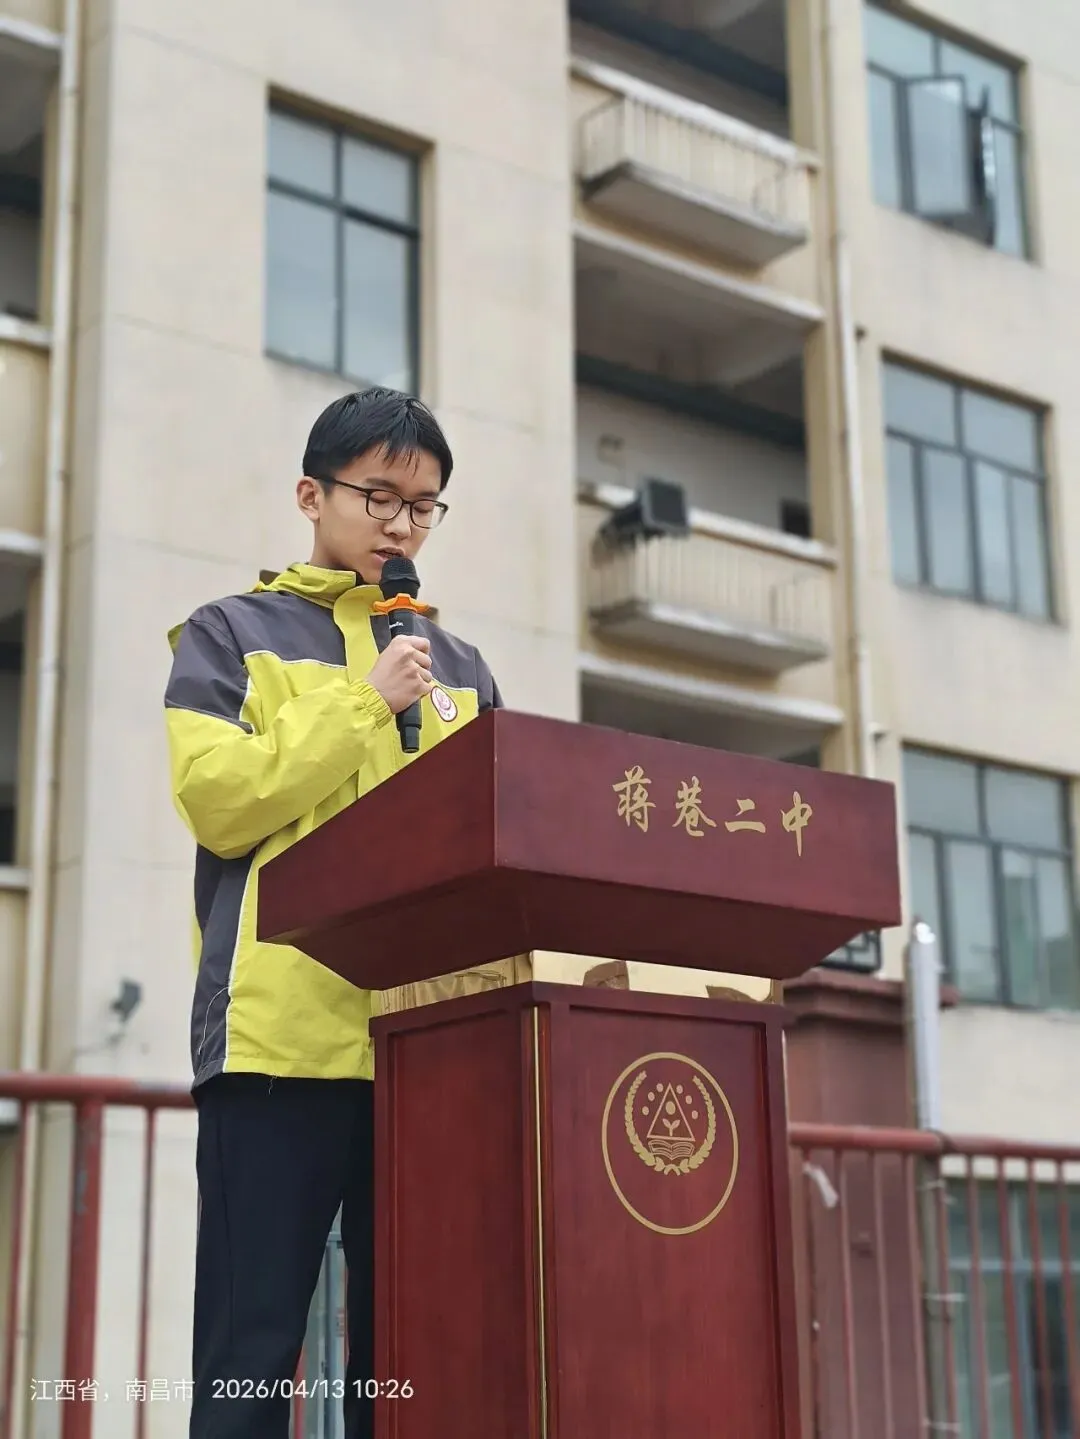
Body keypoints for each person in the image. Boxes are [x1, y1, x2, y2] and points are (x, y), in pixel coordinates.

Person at [164, 387, 503, 1439]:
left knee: (408, 1355)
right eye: (380, 496)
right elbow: (220, 802)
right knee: (252, 1352)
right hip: (277, 1048)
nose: (402, 525)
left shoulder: (465, 671)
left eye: (424, 506)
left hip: (426, 1049)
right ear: (313, 495)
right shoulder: (229, 635)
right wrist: (368, 702)